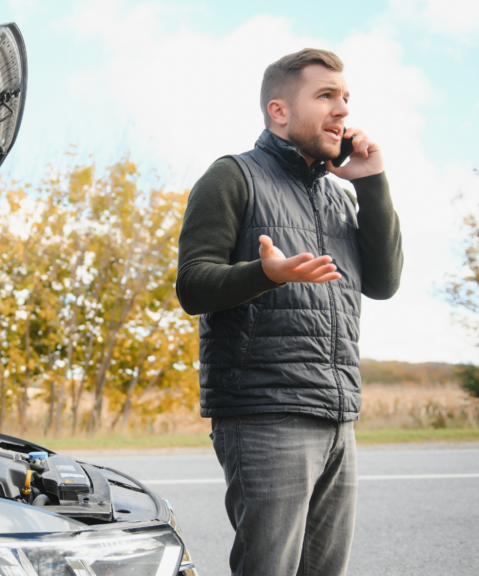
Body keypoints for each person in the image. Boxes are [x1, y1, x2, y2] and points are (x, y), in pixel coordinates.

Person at [175, 48, 403, 576]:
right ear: (279, 111)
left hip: (338, 415)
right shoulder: (232, 177)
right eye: (325, 96)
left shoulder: (343, 197)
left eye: (345, 98)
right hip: (264, 413)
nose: (342, 110)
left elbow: (386, 283)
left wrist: (372, 182)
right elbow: (192, 286)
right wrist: (266, 274)